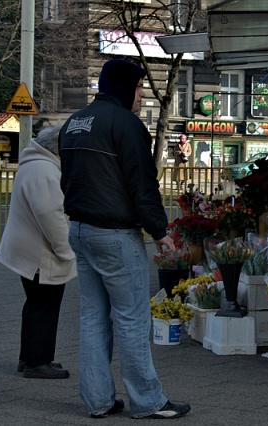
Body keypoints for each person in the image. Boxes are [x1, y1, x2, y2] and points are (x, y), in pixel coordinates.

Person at [58, 59, 191, 419]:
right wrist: (161, 232)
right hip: (116, 235)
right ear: (123, 87)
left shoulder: (73, 123)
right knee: (133, 319)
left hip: (80, 230)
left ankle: (98, 401)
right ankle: (147, 400)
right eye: (138, 87)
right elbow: (142, 184)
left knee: (93, 317)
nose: (143, 94)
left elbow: (67, 180)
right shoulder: (127, 124)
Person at [0, 126, 76, 380]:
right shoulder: (44, 170)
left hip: (30, 250)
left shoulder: (35, 164)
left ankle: (29, 356)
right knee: (45, 306)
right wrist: (66, 251)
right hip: (40, 254)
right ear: (58, 148)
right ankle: (38, 361)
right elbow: (50, 215)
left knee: (36, 305)